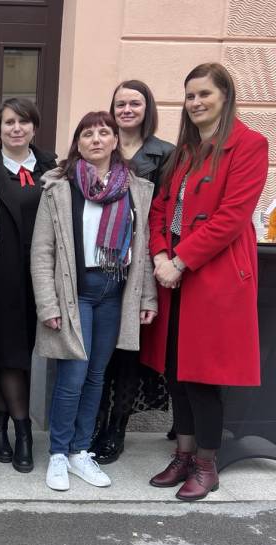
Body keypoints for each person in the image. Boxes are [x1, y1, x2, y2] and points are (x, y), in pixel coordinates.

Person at [142, 62, 268, 501]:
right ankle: (183, 453)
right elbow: (161, 209)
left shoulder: (250, 145)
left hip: (213, 276)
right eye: (190, 95)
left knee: (204, 376)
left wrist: (180, 261)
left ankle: (206, 465)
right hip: (174, 274)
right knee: (177, 372)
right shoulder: (185, 150)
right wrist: (161, 253)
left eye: (204, 94)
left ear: (224, 96)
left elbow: (232, 217)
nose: (196, 102)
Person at [30, 111, 157, 492]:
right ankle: (58, 452)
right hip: (76, 294)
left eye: (104, 132)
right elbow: (42, 251)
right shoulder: (60, 187)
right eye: (88, 134)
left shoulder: (135, 188)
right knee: (73, 375)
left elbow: (143, 248)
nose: (96, 139)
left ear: (116, 140)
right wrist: (48, 304)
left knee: (97, 375)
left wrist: (147, 296)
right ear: (78, 143)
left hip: (114, 294)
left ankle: (79, 451)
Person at [0, 98, 57, 473]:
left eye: (23, 122)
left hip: (40, 275)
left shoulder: (53, 167)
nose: (16, 128)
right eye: (9, 122)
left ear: (34, 127)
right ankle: (23, 433)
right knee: (9, 353)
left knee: (20, 353)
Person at [91, 80, 176, 464]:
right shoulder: (101, 145)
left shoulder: (165, 154)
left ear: (147, 109)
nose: (126, 110)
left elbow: (167, 211)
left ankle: (117, 429)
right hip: (101, 262)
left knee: (128, 351)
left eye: (134, 103)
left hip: (141, 262)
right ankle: (95, 422)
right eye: (120, 104)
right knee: (100, 353)